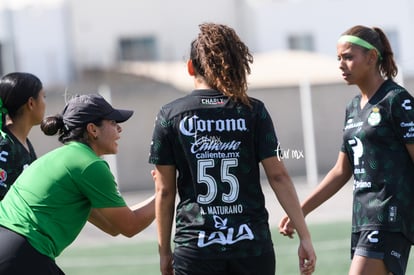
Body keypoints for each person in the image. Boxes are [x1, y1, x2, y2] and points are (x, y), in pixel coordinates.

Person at [148, 23, 316, 275]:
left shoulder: (170, 115)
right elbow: (278, 175)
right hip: (251, 245)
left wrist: (164, 253)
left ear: (190, 67)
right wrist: (305, 236)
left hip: (196, 247)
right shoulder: (253, 110)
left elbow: (164, 191)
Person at [279, 25, 414, 275]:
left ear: (372, 57)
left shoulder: (397, 100)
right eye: (339, 58)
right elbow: (341, 171)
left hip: (389, 218)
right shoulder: (353, 107)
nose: (341, 64)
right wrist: (300, 212)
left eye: (349, 57)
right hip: (363, 219)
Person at [0, 94, 155, 274]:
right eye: (113, 123)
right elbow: (130, 226)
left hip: (12, 247)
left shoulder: (67, 158)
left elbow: (113, 227)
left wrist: (161, 194)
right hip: (22, 252)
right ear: (93, 130)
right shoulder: (89, 164)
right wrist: (166, 191)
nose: (119, 129)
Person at [0, 72, 46, 200]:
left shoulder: (23, 141)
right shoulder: (5, 147)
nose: (45, 103)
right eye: (44, 96)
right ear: (31, 103)